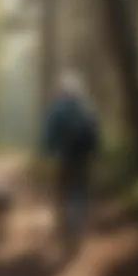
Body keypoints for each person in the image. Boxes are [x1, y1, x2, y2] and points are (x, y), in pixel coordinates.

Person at [41, 70, 99, 260]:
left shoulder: (57, 109)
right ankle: (77, 234)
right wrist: (96, 155)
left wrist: (48, 153)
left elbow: (49, 136)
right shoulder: (86, 107)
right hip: (83, 159)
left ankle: (66, 234)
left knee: (64, 194)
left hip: (64, 159)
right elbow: (95, 135)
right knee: (80, 192)